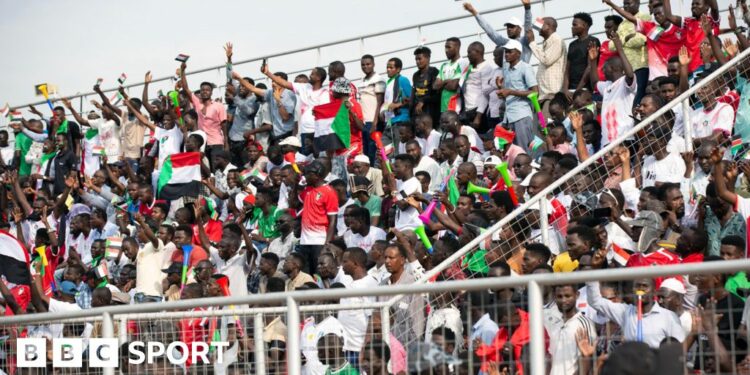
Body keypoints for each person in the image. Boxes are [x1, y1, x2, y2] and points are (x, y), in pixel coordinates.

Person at [589, 29, 637, 146]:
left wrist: (620, 49)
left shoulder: (625, 82)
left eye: (604, 68)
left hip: (625, 139)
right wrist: (593, 61)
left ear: (613, 68)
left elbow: (630, 74)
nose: (602, 70)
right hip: (607, 142)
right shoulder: (607, 86)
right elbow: (595, 82)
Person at [295, 161, 339, 275]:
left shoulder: (329, 192)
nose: (305, 176)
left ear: (316, 175)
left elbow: (333, 220)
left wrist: (327, 244)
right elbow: (295, 203)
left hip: (319, 240)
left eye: (308, 174)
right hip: (305, 240)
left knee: (318, 274)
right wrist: (297, 184)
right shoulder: (308, 190)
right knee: (305, 273)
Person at [180, 61, 228, 163]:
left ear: (211, 92)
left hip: (217, 142)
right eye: (202, 90)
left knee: (216, 168)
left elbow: (224, 126)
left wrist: (226, 143)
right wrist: (182, 71)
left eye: (207, 90)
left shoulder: (218, 106)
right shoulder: (197, 103)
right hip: (203, 143)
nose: (204, 91)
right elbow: (185, 88)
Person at [498, 39, 539, 153]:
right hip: (509, 116)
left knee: (524, 151)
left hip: (521, 115)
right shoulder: (507, 69)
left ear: (518, 53)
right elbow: (509, 93)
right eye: (505, 51)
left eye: (510, 52)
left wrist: (510, 92)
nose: (506, 54)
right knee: (512, 152)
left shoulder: (525, 67)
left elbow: (535, 92)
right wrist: (501, 89)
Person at [464, 0, 533, 62]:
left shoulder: (525, 41)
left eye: (512, 26)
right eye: (508, 27)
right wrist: (474, 12)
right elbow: (490, 31)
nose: (509, 29)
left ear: (520, 29)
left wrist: (527, 8)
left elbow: (528, 28)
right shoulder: (506, 43)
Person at [528, 17, 567, 99]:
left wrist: (532, 42)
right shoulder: (548, 41)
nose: (538, 28)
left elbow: (547, 60)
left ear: (548, 26)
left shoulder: (556, 39)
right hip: (545, 94)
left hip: (552, 94)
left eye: (541, 24)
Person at [359, 54, 386, 164]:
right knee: (366, 151)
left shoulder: (378, 79)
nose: (365, 66)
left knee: (373, 151)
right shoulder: (362, 81)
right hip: (364, 121)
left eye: (368, 64)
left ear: (373, 64)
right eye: (363, 65)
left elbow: (379, 101)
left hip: (372, 121)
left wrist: (375, 122)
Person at [564, 12, 600, 92]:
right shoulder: (572, 44)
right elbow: (567, 69)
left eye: (575, 25)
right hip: (570, 89)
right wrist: (565, 89)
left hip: (585, 89)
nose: (572, 27)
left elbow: (590, 67)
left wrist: (578, 89)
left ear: (585, 25)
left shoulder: (593, 41)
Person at [435, 37, 470, 113]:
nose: (446, 50)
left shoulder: (463, 63)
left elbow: (453, 86)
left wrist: (442, 83)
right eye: (445, 47)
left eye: (449, 47)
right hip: (444, 108)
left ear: (457, 47)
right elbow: (435, 86)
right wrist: (446, 82)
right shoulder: (443, 65)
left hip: (456, 108)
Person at [410, 46, 440, 125]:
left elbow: (437, 95)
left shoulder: (434, 72)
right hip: (417, 115)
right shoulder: (415, 75)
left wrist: (423, 100)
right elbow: (415, 93)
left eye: (420, 59)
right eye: (416, 59)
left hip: (430, 113)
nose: (417, 62)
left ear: (428, 58)